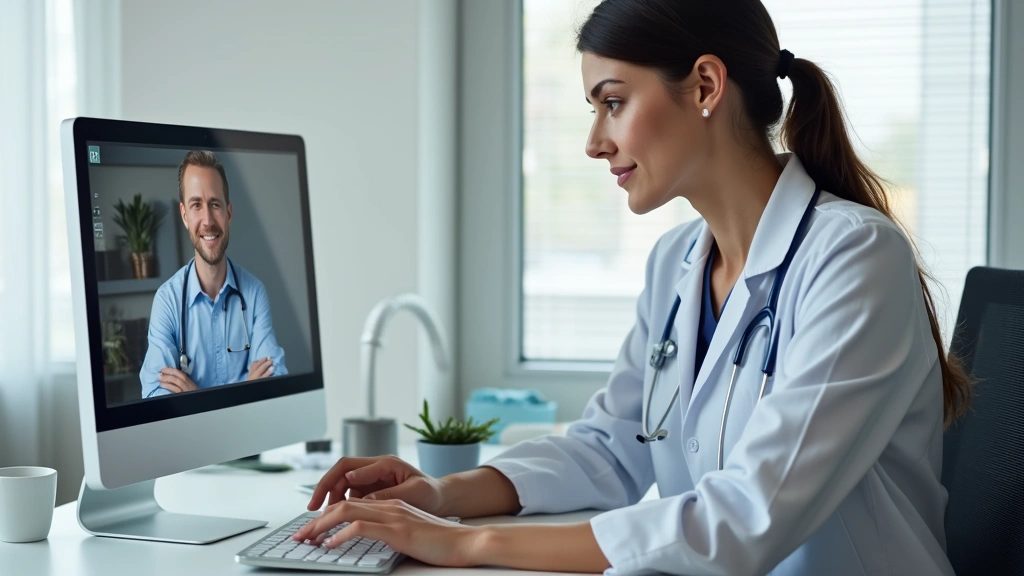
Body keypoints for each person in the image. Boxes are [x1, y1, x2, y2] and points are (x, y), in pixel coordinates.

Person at [292, 1, 971, 574]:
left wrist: (467, 542)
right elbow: (610, 448)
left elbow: (741, 521)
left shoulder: (853, 257)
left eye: (612, 103)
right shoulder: (677, 262)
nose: (594, 141)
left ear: (706, 86)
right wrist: (438, 495)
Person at [139, 150, 287, 398]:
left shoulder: (254, 293)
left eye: (215, 204)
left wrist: (194, 395)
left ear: (228, 213)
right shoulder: (167, 301)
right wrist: (244, 392)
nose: (208, 220)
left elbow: (275, 381)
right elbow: (155, 395)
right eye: (196, 205)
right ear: (185, 215)